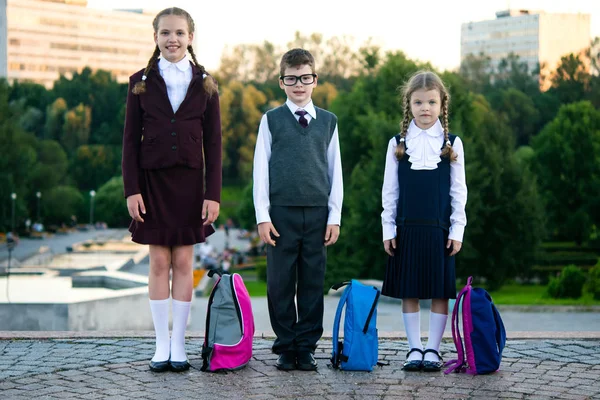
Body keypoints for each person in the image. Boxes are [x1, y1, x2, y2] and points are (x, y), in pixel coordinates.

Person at [121, 7, 222, 373]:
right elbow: (129, 142)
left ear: (191, 38)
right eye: (165, 33)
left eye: (179, 33)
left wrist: (214, 194)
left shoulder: (207, 83)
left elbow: (215, 144)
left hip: (192, 186)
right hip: (152, 185)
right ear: (156, 37)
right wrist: (132, 189)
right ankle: (161, 344)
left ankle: (179, 345)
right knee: (158, 261)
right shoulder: (140, 82)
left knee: (183, 262)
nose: (172, 39)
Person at [253, 48, 343, 371]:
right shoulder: (271, 121)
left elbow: (336, 174)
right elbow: (260, 171)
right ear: (281, 82)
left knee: (311, 283)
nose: (299, 85)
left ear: (315, 80)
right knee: (279, 283)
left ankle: (305, 347)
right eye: (291, 79)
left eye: (305, 78)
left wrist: (335, 216)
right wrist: (262, 215)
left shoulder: (329, 123)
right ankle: (285, 345)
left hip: (317, 215)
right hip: (280, 215)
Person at [381, 70, 467, 372]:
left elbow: (459, 191)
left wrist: (458, 230)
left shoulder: (452, 144)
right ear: (409, 105)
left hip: (439, 230)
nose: (425, 108)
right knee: (410, 290)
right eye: (418, 102)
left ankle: (433, 349)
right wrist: (388, 229)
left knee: (439, 291)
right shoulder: (397, 144)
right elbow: (389, 191)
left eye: (431, 102)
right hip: (406, 228)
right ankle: (414, 347)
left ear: (442, 103)